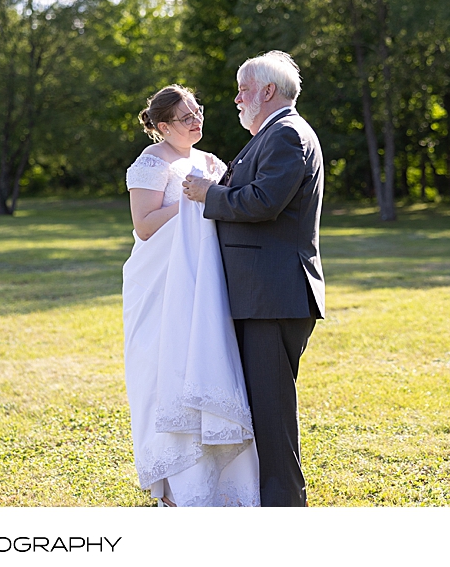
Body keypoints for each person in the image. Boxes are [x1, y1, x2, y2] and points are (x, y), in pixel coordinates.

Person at [183, 51, 324, 507]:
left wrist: (210, 194)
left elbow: (263, 202)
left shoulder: (285, 134)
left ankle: (285, 511)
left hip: (273, 297)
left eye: (243, 89)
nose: (237, 98)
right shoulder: (272, 134)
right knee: (263, 410)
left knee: (272, 413)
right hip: (263, 295)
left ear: (268, 91)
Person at [122, 84, 260, 507]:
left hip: (203, 281)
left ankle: (223, 483)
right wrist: (194, 199)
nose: (196, 120)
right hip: (162, 285)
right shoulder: (149, 163)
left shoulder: (210, 161)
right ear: (163, 126)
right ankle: (177, 485)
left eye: (197, 110)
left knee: (209, 362)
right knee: (165, 369)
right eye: (185, 117)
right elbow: (145, 225)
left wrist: (211, 195)